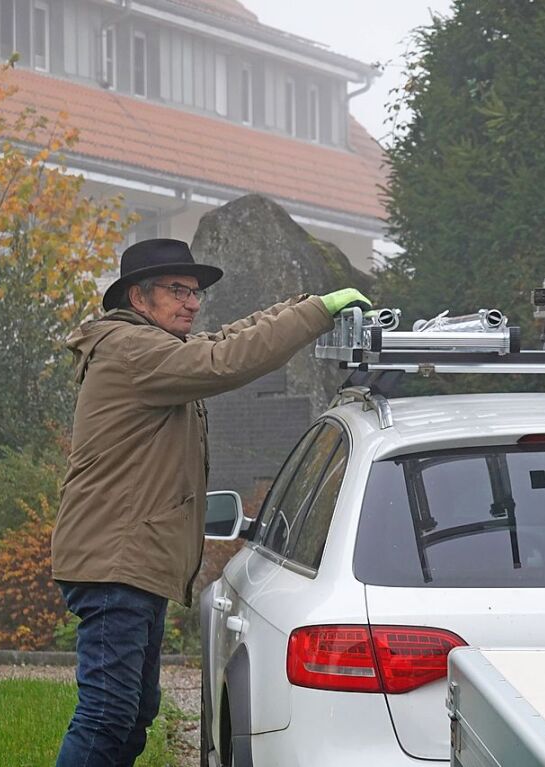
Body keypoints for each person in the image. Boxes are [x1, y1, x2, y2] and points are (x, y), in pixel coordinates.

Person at [50, 238, 370, 766]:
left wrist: (302, 304)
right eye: (178, 290)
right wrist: (316, 314)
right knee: (108, 715)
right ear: (139, 297)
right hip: (116, 564)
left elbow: (225, 338)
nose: (192, 303)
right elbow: (224, 360)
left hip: (129, 563)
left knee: (131, 714)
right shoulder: (134, 351)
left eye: (195, 293)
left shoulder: (154, 350)